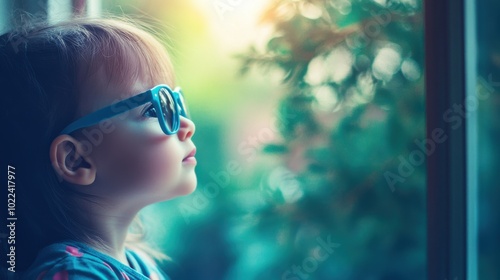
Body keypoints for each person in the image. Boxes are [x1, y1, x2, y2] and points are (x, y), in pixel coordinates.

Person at [0, 16, 197, 280]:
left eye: (174, 101)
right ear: (76, 160)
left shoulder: (138, 262)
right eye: (154, 108)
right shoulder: (75, 274)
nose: (187, 125)